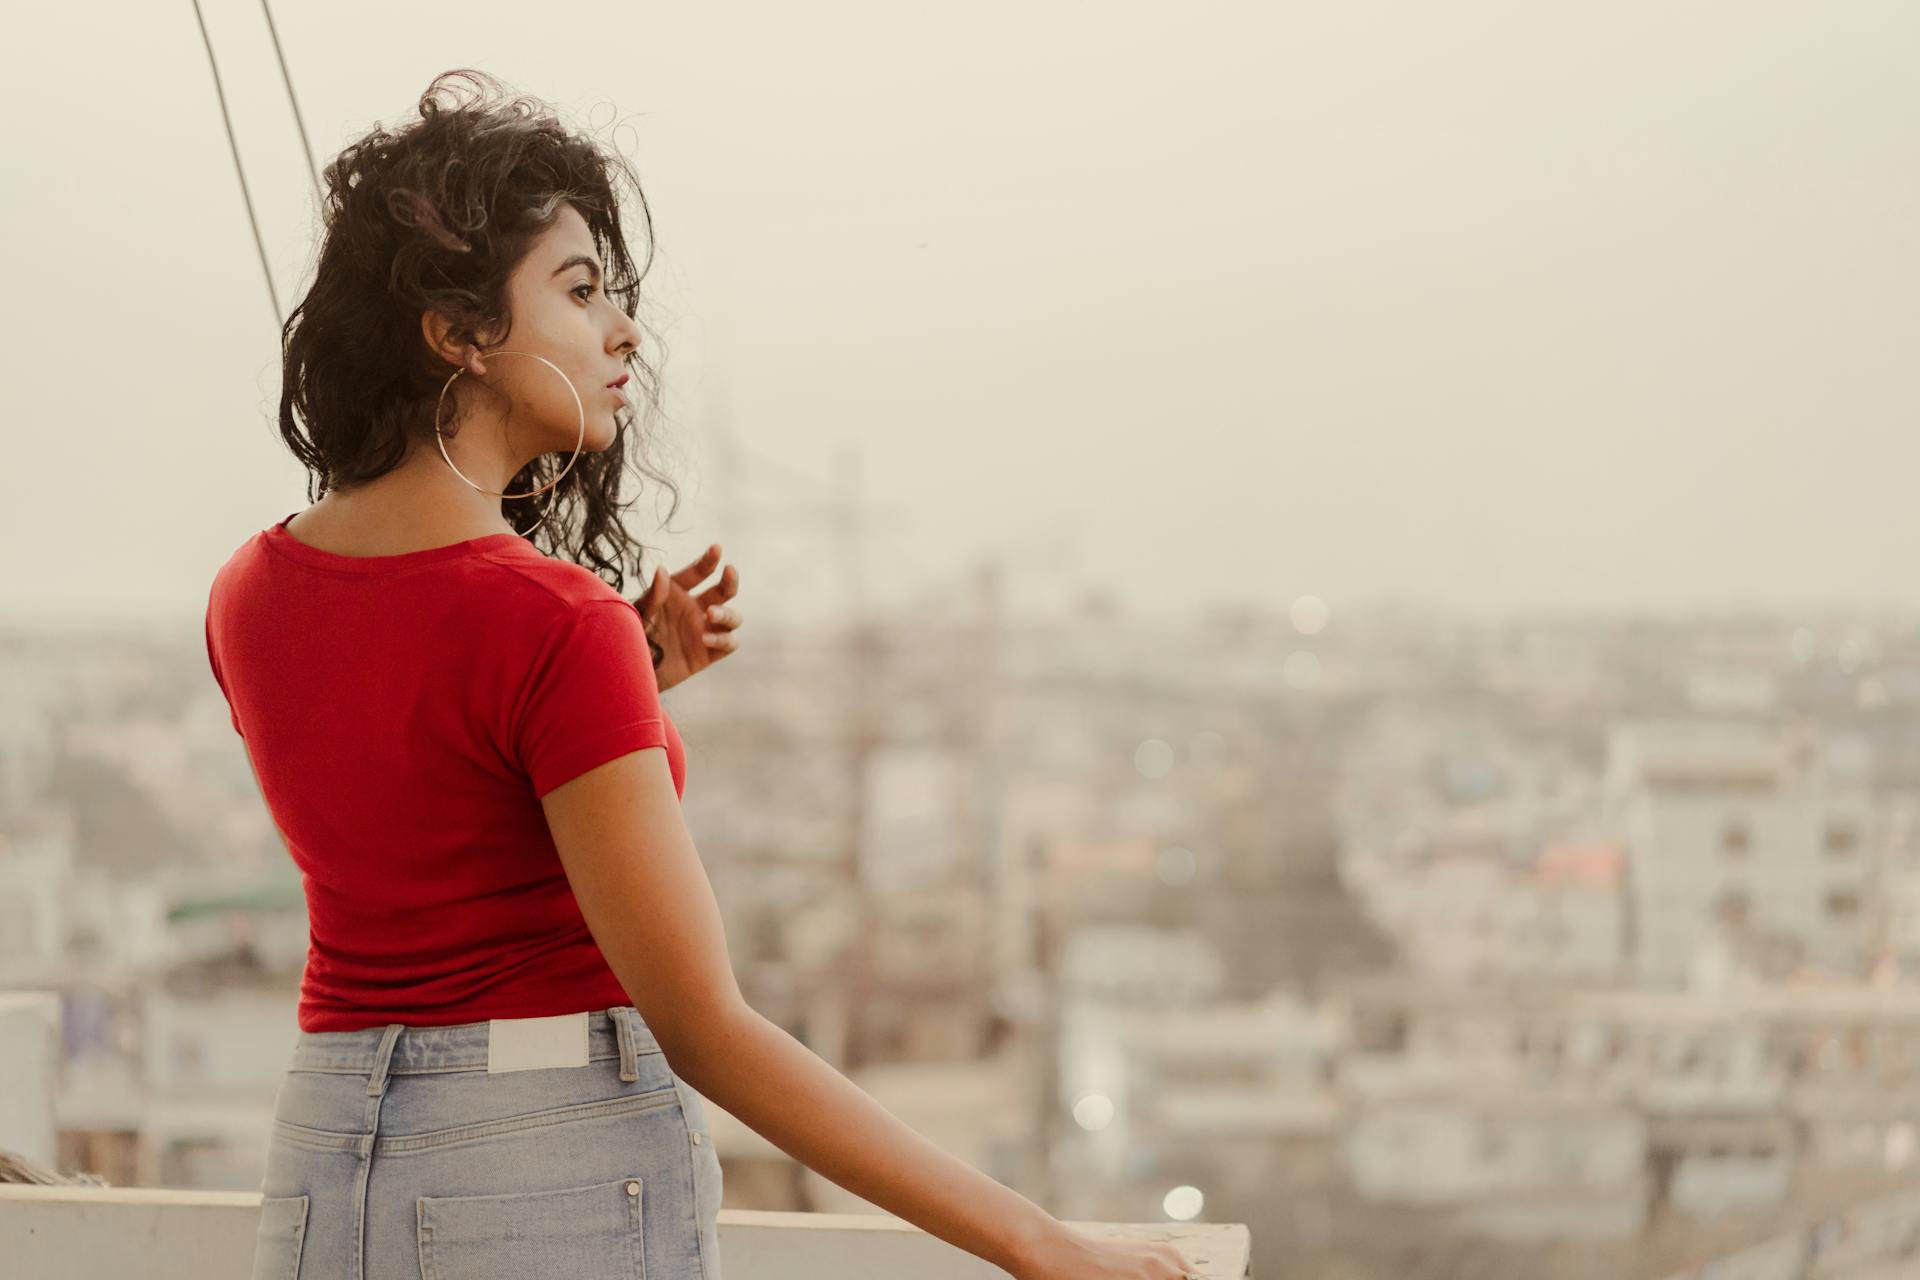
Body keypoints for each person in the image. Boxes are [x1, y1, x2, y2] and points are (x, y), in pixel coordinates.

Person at [208, 68, 1200, 1280]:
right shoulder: (550, 625)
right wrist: (1039, 1241)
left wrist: (617, 686)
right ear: (458, 333)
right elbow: (707, 1026)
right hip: (543, 1162)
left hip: (322, 1154)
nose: (624, 332)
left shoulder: (249, 591)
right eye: (578, 293)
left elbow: (423, 794)